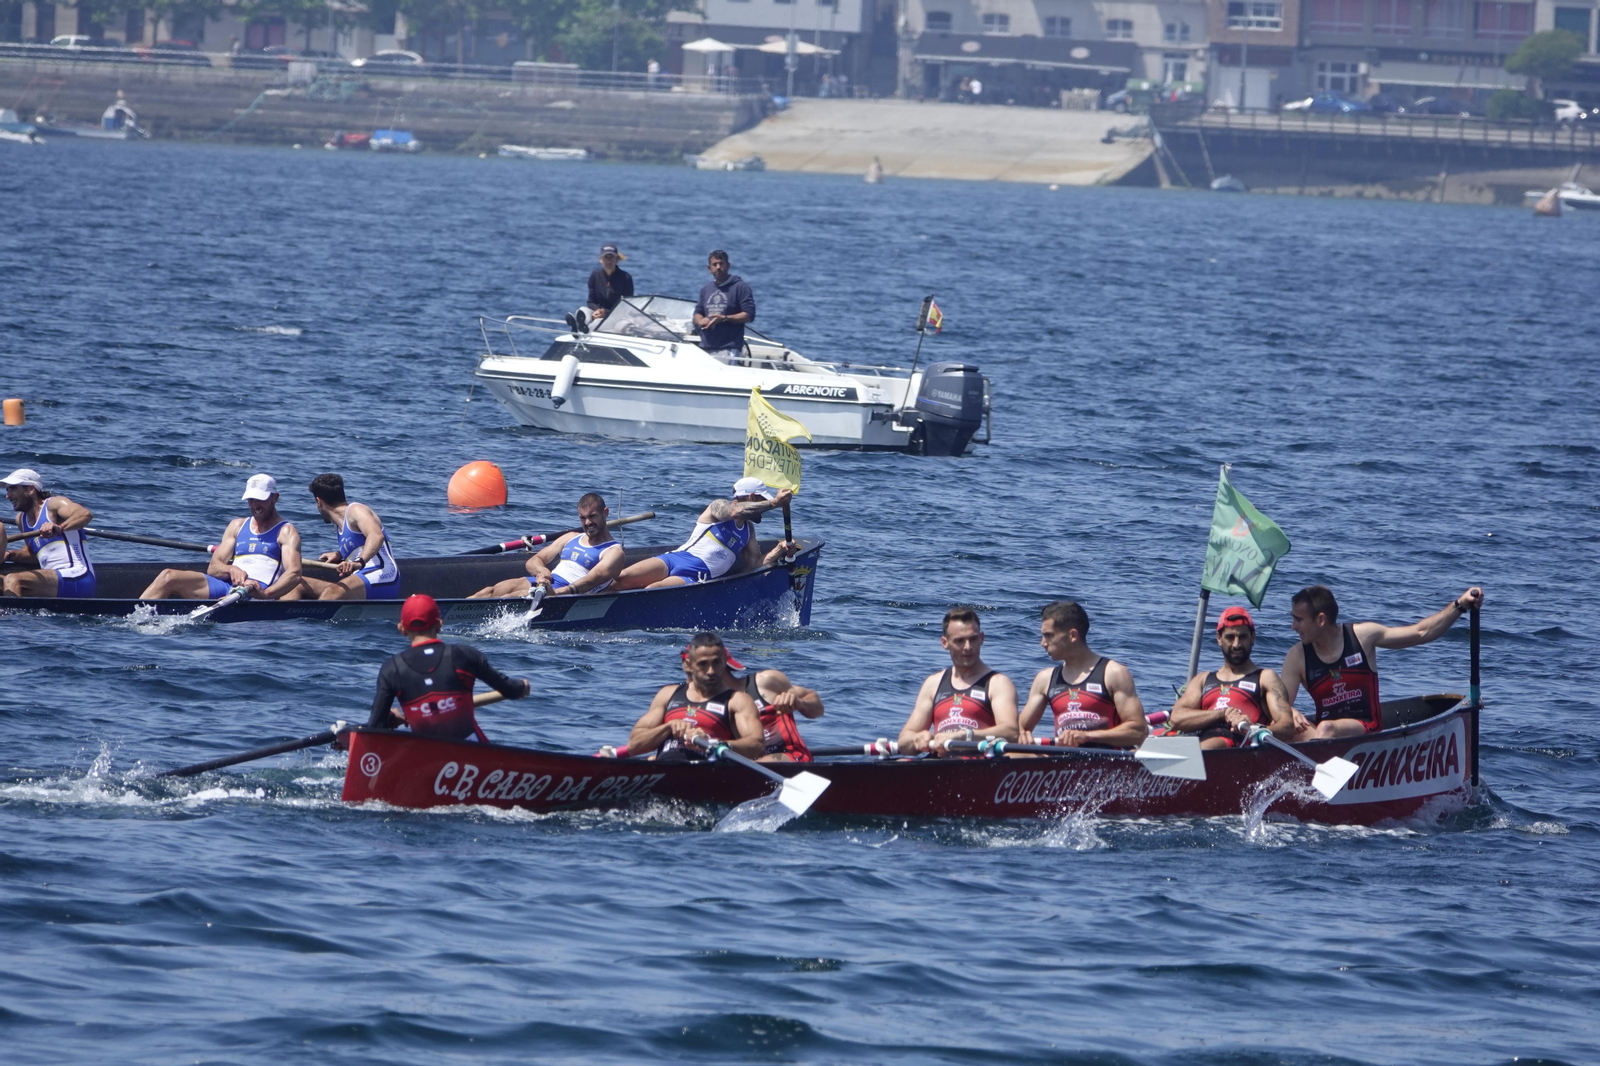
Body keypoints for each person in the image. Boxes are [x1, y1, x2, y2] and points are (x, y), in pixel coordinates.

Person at [1280, 583, 1485, 740]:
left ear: (1321, 620)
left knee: (1326, 729)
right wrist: (1290, 710)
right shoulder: (1297, 656)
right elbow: (1280, 706)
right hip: (1325, 736)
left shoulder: (1362, 637)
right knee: (1280, 729)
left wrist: (1459, 605)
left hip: (1365, 727)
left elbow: (1421, 632)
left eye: (1299, 620)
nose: (1292, 626)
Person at [366, 594, 530, 742]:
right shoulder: (464, 655)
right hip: (475, 758)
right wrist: (522, 686)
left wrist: (390, 717)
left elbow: (374, 728)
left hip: (425, 760)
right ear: (439, 625)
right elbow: (511, 691)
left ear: (401, 629)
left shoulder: (391, 669)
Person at [138, 474, 305, 601]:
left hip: (255, 590)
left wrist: (266, 594)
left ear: (275, 498)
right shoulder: (237, 526)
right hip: (225, 585)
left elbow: (294, 574)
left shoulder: (286, 532)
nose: (254, 505)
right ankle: (129, 615)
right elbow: (214, 567)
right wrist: (231, 569)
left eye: (260, 500)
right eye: (250, 500)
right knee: (168, 576)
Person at [611, 477, 795, 590]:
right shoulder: (718, 507)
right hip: (676, 558)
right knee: (621, 579)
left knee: (652, 589)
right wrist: (773, 504)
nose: (765, 508)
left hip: (695, 577)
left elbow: (755, 565)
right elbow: (733, 512)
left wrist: (779, 549)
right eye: (763, 500)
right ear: (752, 497)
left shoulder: (748, 531)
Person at [1017, 600, 1148, 749]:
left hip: (1107, 760)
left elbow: (1138, 731)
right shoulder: (1045, 679)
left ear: (1072, 635)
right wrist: (1021, 734)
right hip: (1063, 761)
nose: (1043, 643)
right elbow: (1020, 727)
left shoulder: (1113, 673)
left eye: (1049, 635)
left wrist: (1086, 736)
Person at [1167, 605, 1296, 749]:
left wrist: (1255, 730)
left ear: (1253, 638)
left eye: (1243, 637)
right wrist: (1222, 714)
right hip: (1203, 742)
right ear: (1219, 638)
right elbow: (1176, 719)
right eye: (1230, 637)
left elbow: (1287, 727)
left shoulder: (1265, 678)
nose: (1236, 644)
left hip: (1238, 743)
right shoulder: (1202, 680)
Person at [626, 631, 765, 762]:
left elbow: (757, 745)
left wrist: (712, 743)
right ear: (689, 665)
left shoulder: (738, 701)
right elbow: (634, 746)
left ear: (724, 662)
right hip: (664, 770)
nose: (711, 671)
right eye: (703, 664)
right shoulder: (667, 694)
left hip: (707, 774)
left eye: (716, 663)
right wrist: (667, 728)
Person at [898, 607, 1019, 755]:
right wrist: (917, 738)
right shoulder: (933, 684)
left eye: (973, 639)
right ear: (945, 643)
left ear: (981, 638)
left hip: (979, 765)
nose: (968, 647)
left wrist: (964, 735)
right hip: (939, 765)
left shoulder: (998, 683)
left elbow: (1011, 733)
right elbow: (903, 742)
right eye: (960, 641)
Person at [469, 492, 624, 599]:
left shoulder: (613, 552)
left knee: (509, 597)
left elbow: (590, 582)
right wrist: (542, 571)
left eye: (592, 516)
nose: (588, 523)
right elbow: (534, 560)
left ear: (605, 513)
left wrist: (555, 593)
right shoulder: (571, 538)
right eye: (583, 518)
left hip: (566, 594)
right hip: (546, 583)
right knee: (490, 592)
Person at [297, 473, 401, 601]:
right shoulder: (338, 525)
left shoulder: (356, 510)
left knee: (331, 594)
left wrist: (359, 562)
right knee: (296, 584)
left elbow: (376, 536)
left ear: (319, 502)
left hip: (384, 575)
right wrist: (341, 555)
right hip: (362, 577)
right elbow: (360, 545)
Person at [2, 468, 96, 598]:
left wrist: (60, 528)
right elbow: (35, 556)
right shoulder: (21, 520)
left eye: (13, 488)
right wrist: (10, 554)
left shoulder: (53, 505)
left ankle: (13, 619)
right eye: (7, 490)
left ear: (30, 489)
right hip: (54, 581)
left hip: (78, 577)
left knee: (13, 580)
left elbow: (85, 514)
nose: (8, 495)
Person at [740, 659, 824, 762]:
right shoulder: (718, 704)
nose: (713, 672)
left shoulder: (765, 682)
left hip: (791, 757)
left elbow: (819, 708)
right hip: (749, 766)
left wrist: (800, 703)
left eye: (716, 663)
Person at [692, 250, 756, 360]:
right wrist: (700, 320)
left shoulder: (740, 287)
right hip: (705, 347)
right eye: (714, 264)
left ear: (728, 265)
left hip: (728, 348)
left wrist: (725, 318)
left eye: (721, 264)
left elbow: (749, 315)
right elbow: (697, 313)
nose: (718, 267)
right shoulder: (706, 290)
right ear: (709, 268)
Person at [568, 244, 634, 333]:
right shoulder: (595, 276)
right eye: (606, 257)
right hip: (597, 312)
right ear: (600, 260)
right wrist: (597, 311)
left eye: (611, 257)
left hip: (615, 316)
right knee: (582, 310)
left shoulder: (626, 278)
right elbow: (590, 301)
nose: (609, 261)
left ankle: (582, 330)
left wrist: (605, 312)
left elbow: (626, 307)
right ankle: (579, 327)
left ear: (617, 259)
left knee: (596, 323)